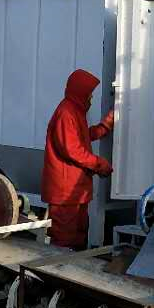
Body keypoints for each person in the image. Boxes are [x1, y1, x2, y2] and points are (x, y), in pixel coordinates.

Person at [40, 69, 114, 250]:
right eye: (90, 94)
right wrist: (100, 164)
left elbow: (80, 138)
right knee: (64, 241)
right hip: (66, 192)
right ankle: (58, 274)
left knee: (78, 236)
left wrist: (105, 126)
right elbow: (73, 149)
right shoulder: (67, 113)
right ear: (81, 92)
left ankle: (69, 270)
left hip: (74, 191)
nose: (91, 98)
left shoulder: (74, 110)